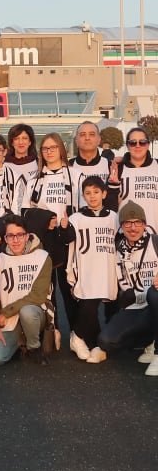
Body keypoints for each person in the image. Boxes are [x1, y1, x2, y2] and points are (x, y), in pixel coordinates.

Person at [58, 176, 118, 363]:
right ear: (83, 196)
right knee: (89, 302)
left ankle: (91, 341)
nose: (92, 197)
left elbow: (119, 241)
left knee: (95, 303)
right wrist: (64, 227)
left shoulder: (113, 217)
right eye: (88, 193)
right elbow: (68, 240)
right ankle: (78, 338)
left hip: (106, 268)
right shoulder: (77, 218)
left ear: (104, 194)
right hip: (86, 267)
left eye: (96, 192)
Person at [98, 201, 158, 376]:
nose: (133, 228)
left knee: (154, 294)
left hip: (155, 301)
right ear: (122, 226)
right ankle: (151, 340)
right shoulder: (116, 249)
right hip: (135, 307)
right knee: (106, 341)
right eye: (128, 223)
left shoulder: (155, 242)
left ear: (145, 224)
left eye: (138, 222)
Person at [22, 132, 75, 329]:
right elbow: (25, 212)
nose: (49, 151)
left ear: (61, 148)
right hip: (44, 239)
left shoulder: (75, 175)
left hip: (68, 238)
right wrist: (45, 220)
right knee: (46, 290)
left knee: (70, 288)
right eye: (45, 148)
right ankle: (52, 334)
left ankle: (78, 335)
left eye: (53, 147)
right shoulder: (34, 180)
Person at [0, 215, 53, 366]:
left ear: (27, 236)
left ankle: (34, 347)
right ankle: (20, 342)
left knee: (28, 312)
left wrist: (6, 312)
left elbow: (37, 296)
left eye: (20, 235)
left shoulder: (42, 257)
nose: (15, 240)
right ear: (5, 238)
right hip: (10, 320)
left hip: (36, 313)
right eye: (11, 236)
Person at [106, 126, 158, 232]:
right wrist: (113, 187)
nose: (137, 146)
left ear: (148, 144)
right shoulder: (117, 169)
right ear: (127, 146)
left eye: (142, 142)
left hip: (155, 237)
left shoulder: (156, 165)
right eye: (133, 142)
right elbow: (109, 208)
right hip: (125, 236)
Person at [69, 121, 110, 207]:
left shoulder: (110, 166)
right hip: (75, 219)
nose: (87, 138)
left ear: (99, 140)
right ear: (76, 140)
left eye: (91, 134)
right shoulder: (68, 166)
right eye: (83, 134)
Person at [5, 123, 39, 188]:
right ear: (12, 142)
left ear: (30, 142)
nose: (20, 142)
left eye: (25, 138)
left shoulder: (39, 164)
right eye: (16, 138)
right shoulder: (4, 165)